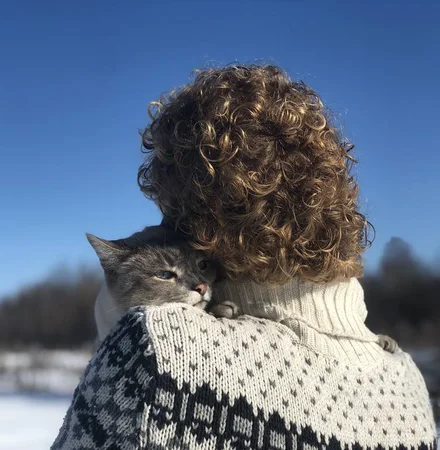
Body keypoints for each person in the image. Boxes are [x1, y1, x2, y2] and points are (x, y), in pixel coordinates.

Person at [51, 65, 437, 449]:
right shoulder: (408, 383)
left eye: (171, 213)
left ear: (196, 222)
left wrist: (120, 323)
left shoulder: (155, 352)